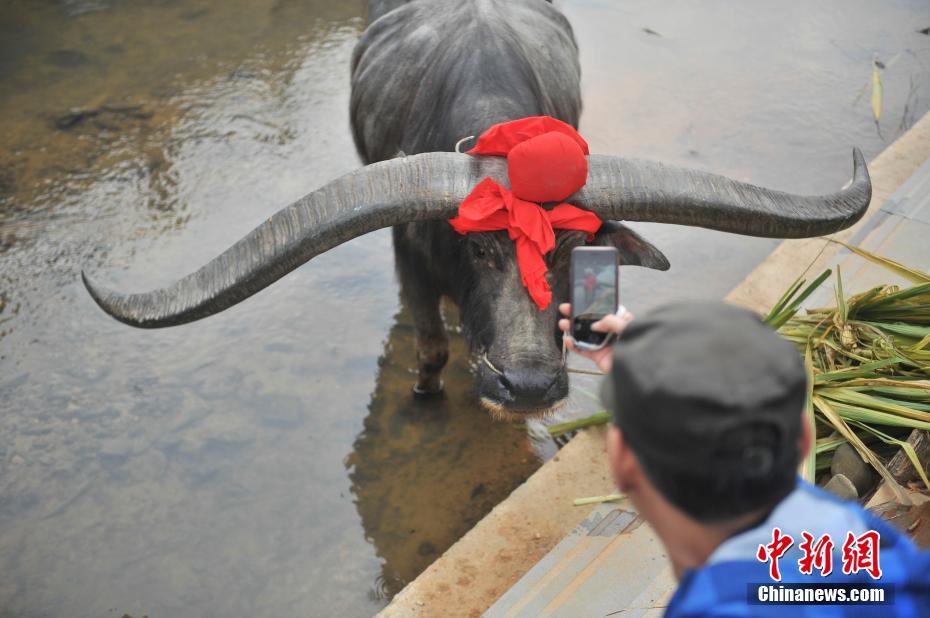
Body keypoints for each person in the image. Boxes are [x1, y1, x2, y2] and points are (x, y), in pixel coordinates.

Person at [558, 300, 930, 616]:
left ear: (622, 461)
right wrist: (657, 372)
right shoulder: (870, 547)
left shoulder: (717, 606)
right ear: (803, 439)